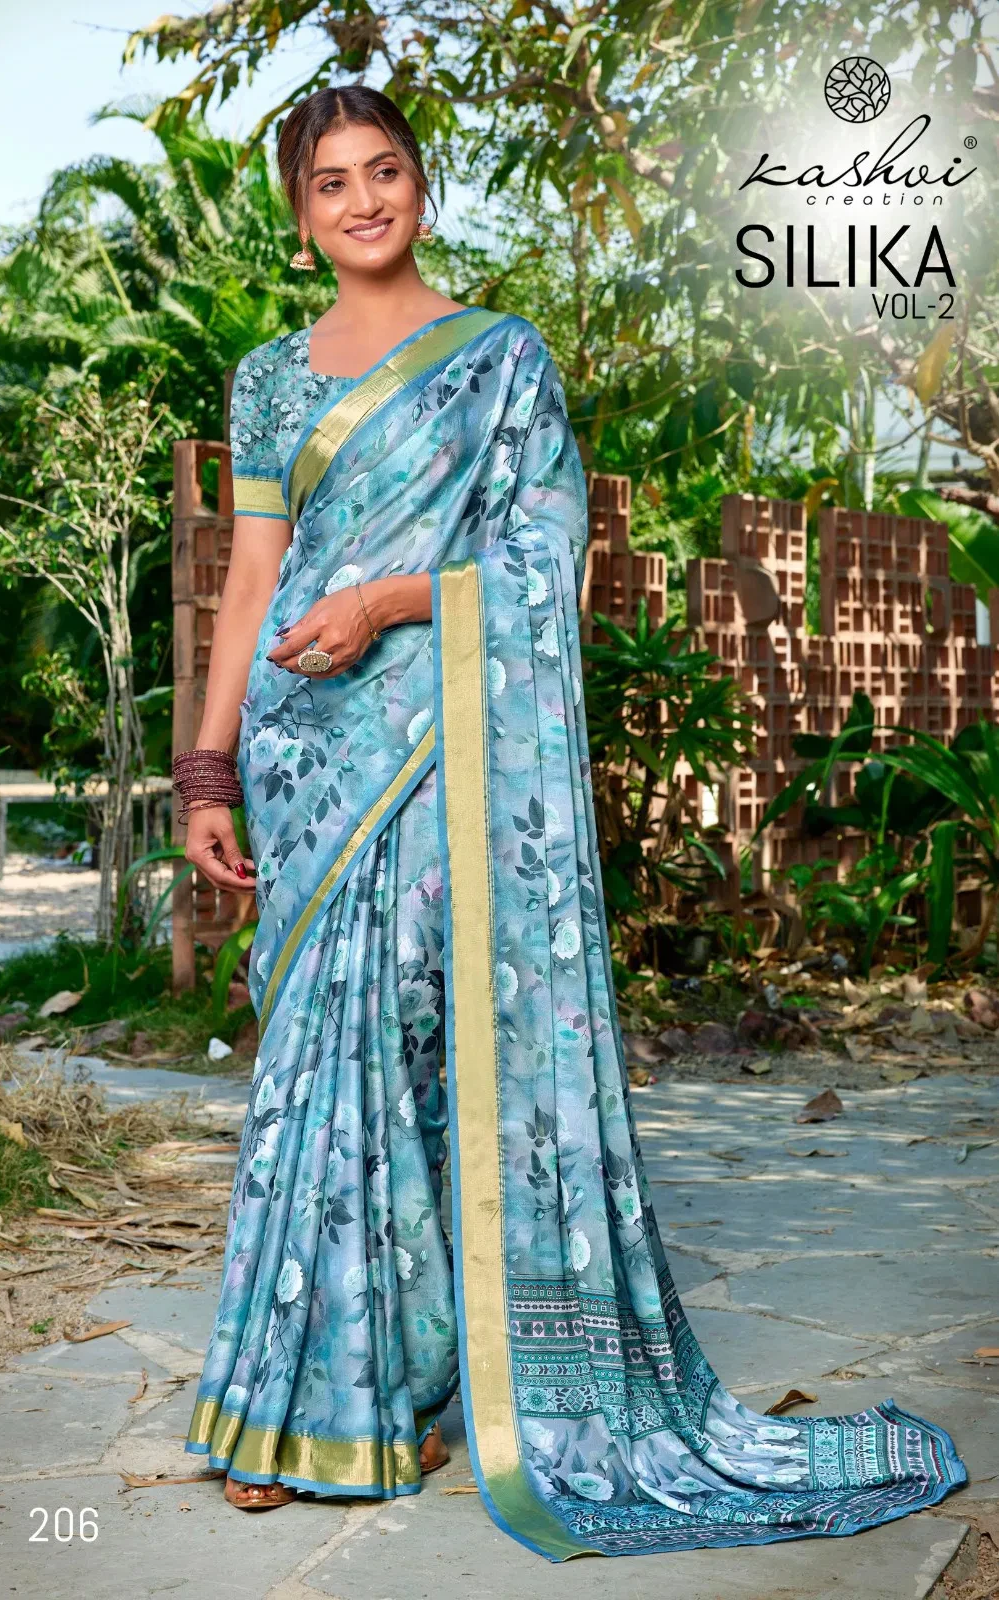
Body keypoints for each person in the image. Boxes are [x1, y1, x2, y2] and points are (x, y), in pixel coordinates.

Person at [173, 84, 965, 1557]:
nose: (362, 200)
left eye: (384, 171)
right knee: (316, 1061)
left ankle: (413, 1379)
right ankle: (305, 1401)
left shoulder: (500, 359)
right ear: (299, 215)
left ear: (423, 186)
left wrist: (392, 600)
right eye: (331, 182)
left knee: (423, 1048)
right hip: (306, 753)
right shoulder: (271, 379)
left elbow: (547, 561)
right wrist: (208, 766)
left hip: (444, 741)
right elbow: (252, 576)